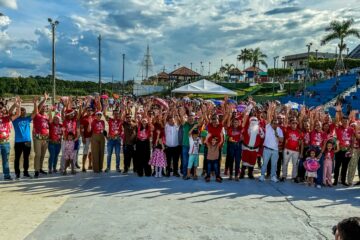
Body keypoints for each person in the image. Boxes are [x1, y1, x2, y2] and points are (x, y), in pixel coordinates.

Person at [11, 97, 33, 179]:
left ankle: (26, 172)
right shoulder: (15, 120)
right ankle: (17, 173)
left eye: (24, 111)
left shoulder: (28, 119)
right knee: (17, 158)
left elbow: (35, 112)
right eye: (21, 111)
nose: (22, 112)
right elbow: (10, 112)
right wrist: (16, 104)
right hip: (18, 142)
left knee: (26, 158)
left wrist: (35, 103)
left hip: (27, 141)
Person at [259, 118, 284, 183]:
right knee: (265, 163)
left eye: (276, 123)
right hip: (267, 149)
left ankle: (273, 176)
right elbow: (269, 116)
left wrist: (277, 135)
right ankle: (262, 175)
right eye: (274, 123)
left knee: (274, 164)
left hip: (275, 150)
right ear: (271, 123)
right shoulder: (268, 127)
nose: (275, 125)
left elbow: (281, 140)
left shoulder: (279, 130)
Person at [32, 94, 50, 178]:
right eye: (42, 107)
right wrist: (44, 99)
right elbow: (37, 108)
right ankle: (36, 170)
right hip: (38, 137)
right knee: (38, 154)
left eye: (45, 107)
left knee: (43, 154)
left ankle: (40, 168)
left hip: (45, 137)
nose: (44, 108)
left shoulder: (46, 116)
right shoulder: (37, 115)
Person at [1, 98, 19, 180]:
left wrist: (15, 104)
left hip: (5, 142)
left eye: (4, 110)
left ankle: (7, 175)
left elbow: (15, 113)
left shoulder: (7, 118)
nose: (2, 111)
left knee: (6, 160)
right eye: (1, 109)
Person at [334, 116, 353, 186]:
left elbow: (352, 139)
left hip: (347, 151)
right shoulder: (338, 128)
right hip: (339, 150)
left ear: (348, 121)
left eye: (346, 121)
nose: (345, 122)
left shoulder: (351, 129)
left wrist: (351, 149)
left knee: (345, 166)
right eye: (343, 121)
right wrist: (338, 110)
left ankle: (343, 181)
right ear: (341, 122)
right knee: (337, 166)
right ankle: (335, 180)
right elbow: (336, 120)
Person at [104, 108, 122, 172]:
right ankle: (108, 167)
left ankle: (117, 167)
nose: (116, 115)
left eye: (117, 114)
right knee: (109, 154)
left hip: (117, 140)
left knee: (117, 154)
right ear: (113, 114)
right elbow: (104, 114)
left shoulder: (120, 121)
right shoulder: (110, 120)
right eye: (114, 114)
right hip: (111, 140)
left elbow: (124, 114)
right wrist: (105, 105)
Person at [80, 106, 93, 172]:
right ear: (86, 111)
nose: (89, 111)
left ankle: (90, 165)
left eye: (90, 110)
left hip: (92, 138)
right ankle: (83, 166)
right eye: (88, 110)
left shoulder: (93, 117)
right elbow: (81, 129)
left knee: (90, 152)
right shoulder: (84, 118)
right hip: (86, 137)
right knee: (85, 153)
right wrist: (83, 137)